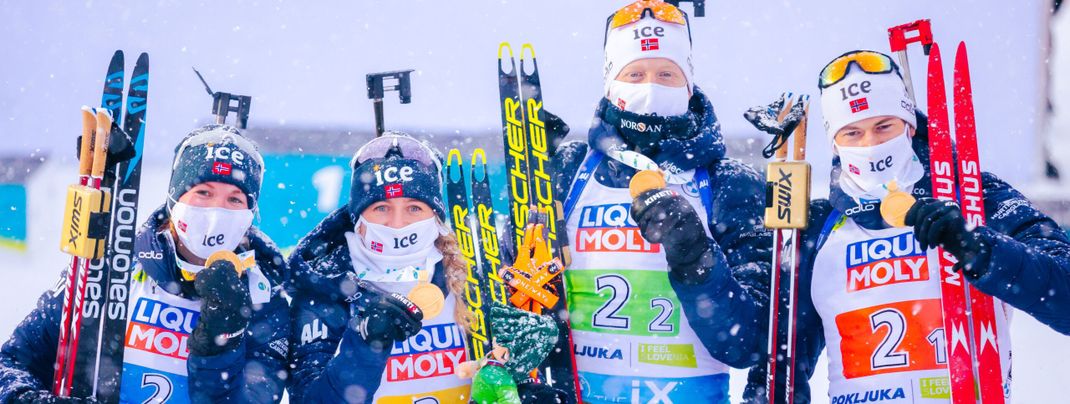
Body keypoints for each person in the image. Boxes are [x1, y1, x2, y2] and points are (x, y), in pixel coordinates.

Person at [744, 50, 1070, 403]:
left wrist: (980, 248)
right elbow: (781, 367)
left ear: (910, 125)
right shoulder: (817, 227)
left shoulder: (975, 195)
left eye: (884, 126)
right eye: (852, 132)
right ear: (834, 144)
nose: (871, 145)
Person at [548, 2, 773, 403]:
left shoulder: (731, 184)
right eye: (634, 73)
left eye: (666, 74)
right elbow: (527, 296)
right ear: (610, 84)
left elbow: (747, 345)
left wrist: (695, 257)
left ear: (688, 84)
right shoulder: (566, 170)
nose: (650, 85)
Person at [0, 124, 290, 403]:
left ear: (250, 213)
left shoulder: (264, 298)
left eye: (235, 199)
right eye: (203, 192)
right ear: (175, 198)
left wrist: (221, 343)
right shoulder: (114, 267)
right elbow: (11, 364)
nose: (217, 210)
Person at [287, 133, 558, 403]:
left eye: (414, 208)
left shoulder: (469, 272)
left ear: (435, 215)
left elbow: (492, 374)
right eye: (381, 207)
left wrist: (518, 392)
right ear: (358, 217)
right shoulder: (325, 284)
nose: (398, 223)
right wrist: (365, 343)